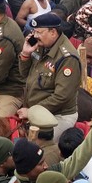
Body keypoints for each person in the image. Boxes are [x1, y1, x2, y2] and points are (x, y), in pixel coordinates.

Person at [17, 13, 80, 141]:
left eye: (39, 32)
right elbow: (24, 75)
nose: (35, 36)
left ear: (53, 32)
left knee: (35, 145)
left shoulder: (67, 58)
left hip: (57, 116)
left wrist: (31, 112)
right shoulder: (41, 46)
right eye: (34, 31)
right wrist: (25, 54)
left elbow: (61, 96)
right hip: (34, 109)